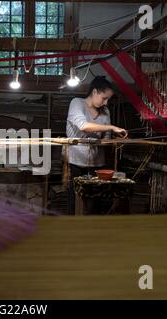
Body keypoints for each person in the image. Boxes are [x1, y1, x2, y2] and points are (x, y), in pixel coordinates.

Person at [66, 76, 127, 215]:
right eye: (104, 98)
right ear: (94, 92)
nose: (106, 103)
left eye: (108, 100)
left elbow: (105, 139)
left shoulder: (105, 112)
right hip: (75, 161)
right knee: (74, 199)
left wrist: (114, 139)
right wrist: (111, 128)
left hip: (97, 163)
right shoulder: (77, 103)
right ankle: (71, 229)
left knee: (95, 202)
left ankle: (91, 231)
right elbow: (83, 126)